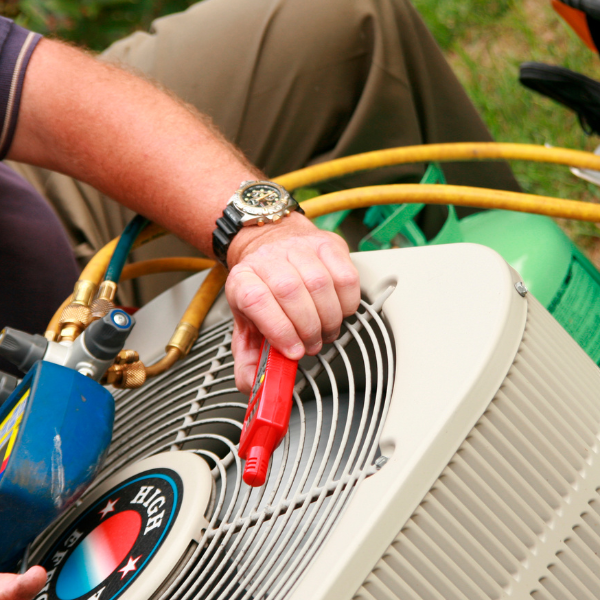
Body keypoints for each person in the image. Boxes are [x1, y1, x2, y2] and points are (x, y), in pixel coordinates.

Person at [0, 0, 522, 594]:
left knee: (345, 24)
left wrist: (257, 230)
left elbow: (36, 88)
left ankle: (516, 313)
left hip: (50, 234)